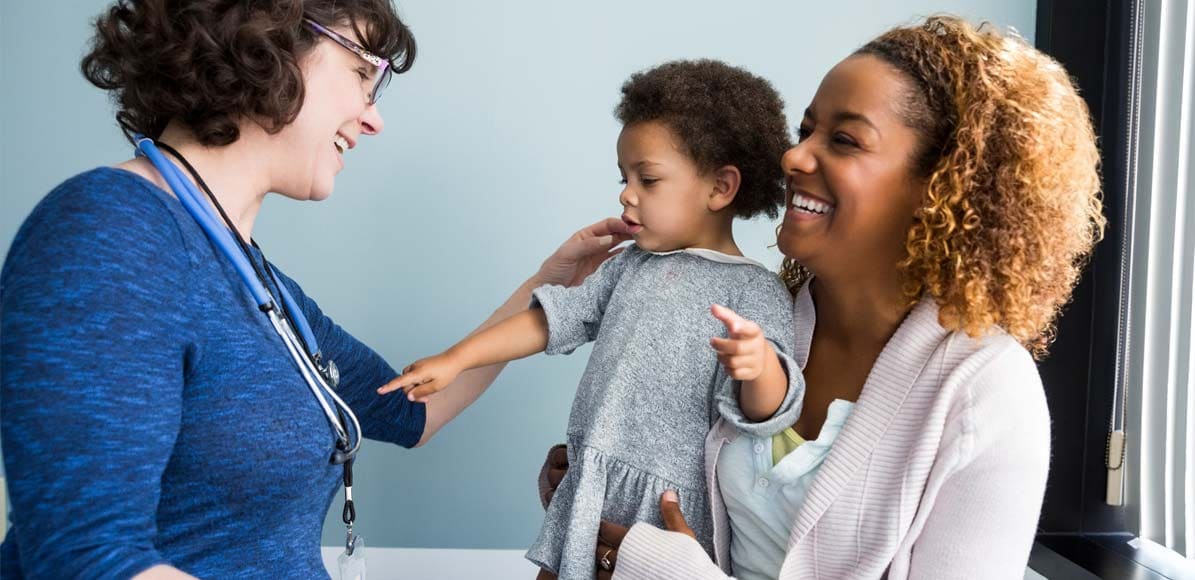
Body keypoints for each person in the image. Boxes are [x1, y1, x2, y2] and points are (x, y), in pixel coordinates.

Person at [0, 1, 632, 577]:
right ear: (263, 45)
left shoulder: (265, 288)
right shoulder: (108, 230)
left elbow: (413, 410)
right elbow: (86, 557)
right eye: (363, 73)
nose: (374, 118)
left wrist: (546, 284)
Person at [540, 15, 1106, 579]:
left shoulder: (987, 392)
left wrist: (670, 571)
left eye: (843, 140)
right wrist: (593, 489)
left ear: (944, 185)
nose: (793, 157)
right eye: (805, 131)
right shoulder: (762, 317)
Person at [378, 59, 804, 580]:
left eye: (647, 179)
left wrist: (759, 366)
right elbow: (549, 320)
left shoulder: (752, 288)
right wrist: (456, 358)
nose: (627, 194)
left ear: (720, 188)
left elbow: (771, 412)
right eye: (623, 178)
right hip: (590, 485)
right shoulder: (630, 266)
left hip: (672, 511)